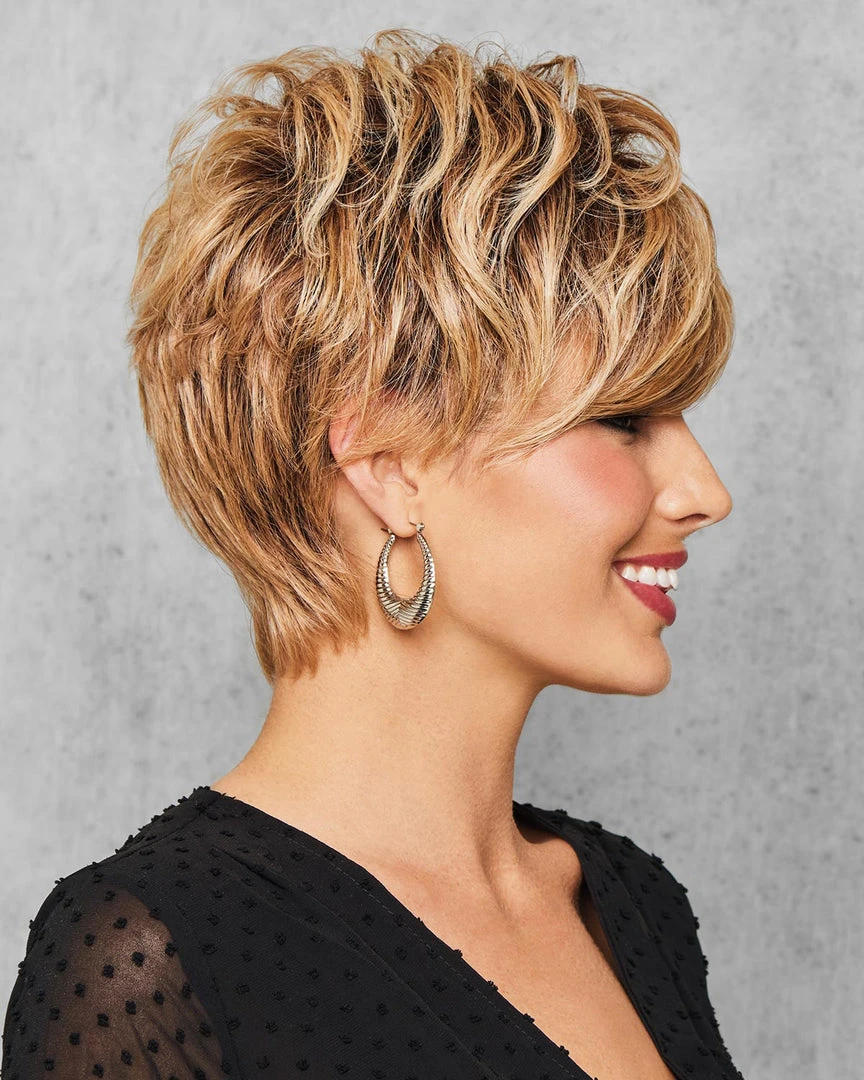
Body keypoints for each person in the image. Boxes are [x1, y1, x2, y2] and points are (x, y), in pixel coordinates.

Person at [1, 27, 745, 1080]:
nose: (705, 491)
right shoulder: (157, 956)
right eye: (625, 418)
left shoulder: (630, 903)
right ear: (388, 463)